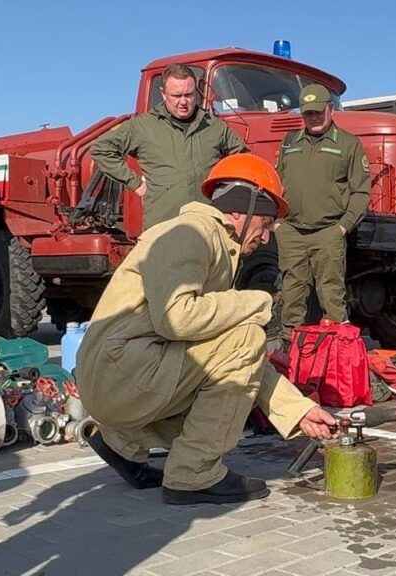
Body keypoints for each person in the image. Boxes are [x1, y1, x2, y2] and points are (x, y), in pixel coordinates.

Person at [76, 153, 338, 505]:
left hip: (121, 374)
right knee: (246, 336)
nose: (266, 236)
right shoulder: (188, 235)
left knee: (236, 346)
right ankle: (193, 474)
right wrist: (254, 303)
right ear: (240, 212)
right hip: (118, 374)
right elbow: (176, 319)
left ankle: (121, 443)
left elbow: (228, 356)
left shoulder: (209, 240)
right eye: (265, 223)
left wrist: (299, 410)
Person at [90, 64, 249, 229]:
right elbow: (101, 149)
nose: (183, 102)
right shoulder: (143, 126)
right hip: (162, 228)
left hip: (207, 226)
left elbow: (243, 159)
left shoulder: (215, 127)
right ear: (163, 95)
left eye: (189, 95)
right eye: (176, 95)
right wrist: (136, 184)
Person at [274, 84, 370, 349]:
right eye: (308, 113)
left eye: (318, 111)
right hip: (291, 230)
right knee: (292, 291)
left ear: (330, 108)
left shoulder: (348, 144)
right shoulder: (290, 141)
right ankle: (288, 349)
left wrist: (343, 226)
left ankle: (338, 351)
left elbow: (361, 190)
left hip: (328, 231)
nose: (313, 118)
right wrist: (277, 223)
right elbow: (276, 181)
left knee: (331, 294)